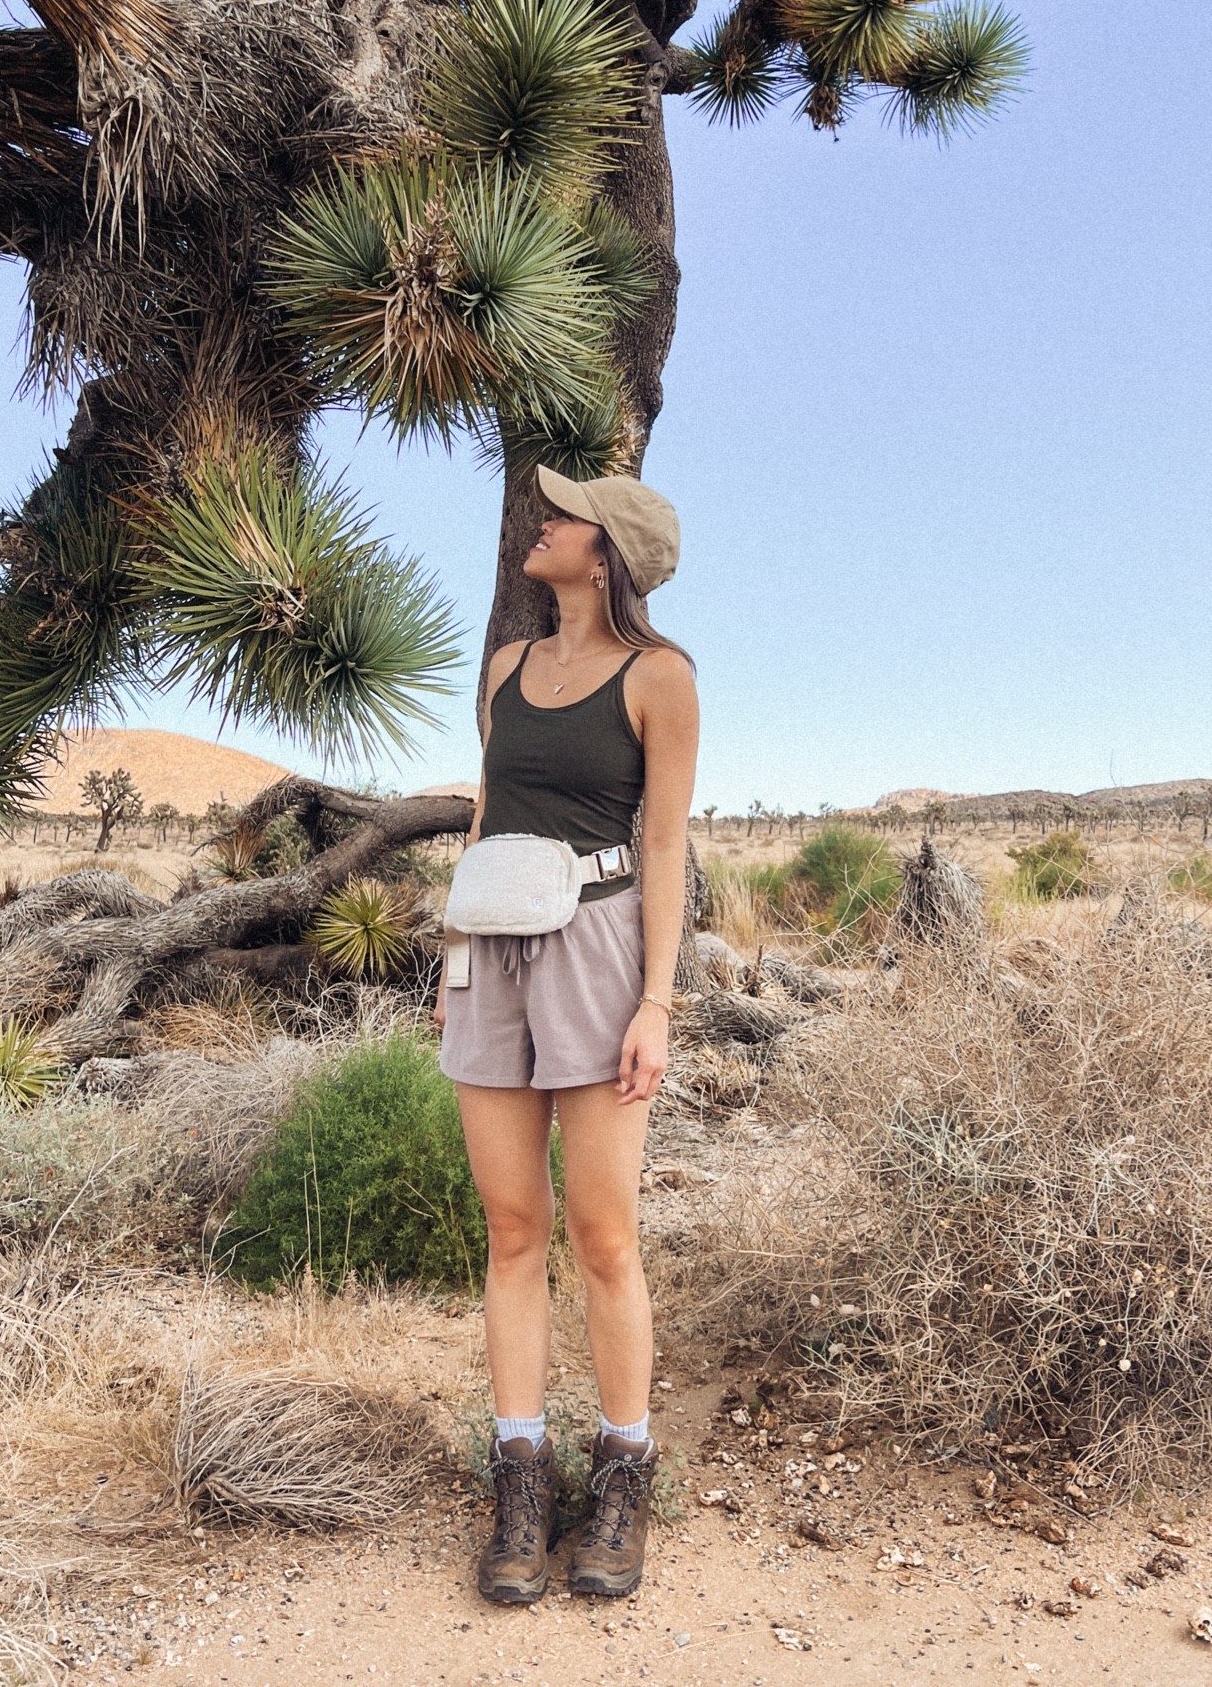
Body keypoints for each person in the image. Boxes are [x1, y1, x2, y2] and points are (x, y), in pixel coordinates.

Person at [435, 464, 699, 1605]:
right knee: (511, 1228)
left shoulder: (661, 677)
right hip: (491, 947)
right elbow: (486, 819)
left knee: (603, 1236)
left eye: (565, 515)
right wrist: (452, 956)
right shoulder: (504, 667)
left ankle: (623, 1474)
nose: (540, 523)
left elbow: (666, 844)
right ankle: (522, 1477)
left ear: (607, 554)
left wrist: (657, 1001)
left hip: (596, 947)